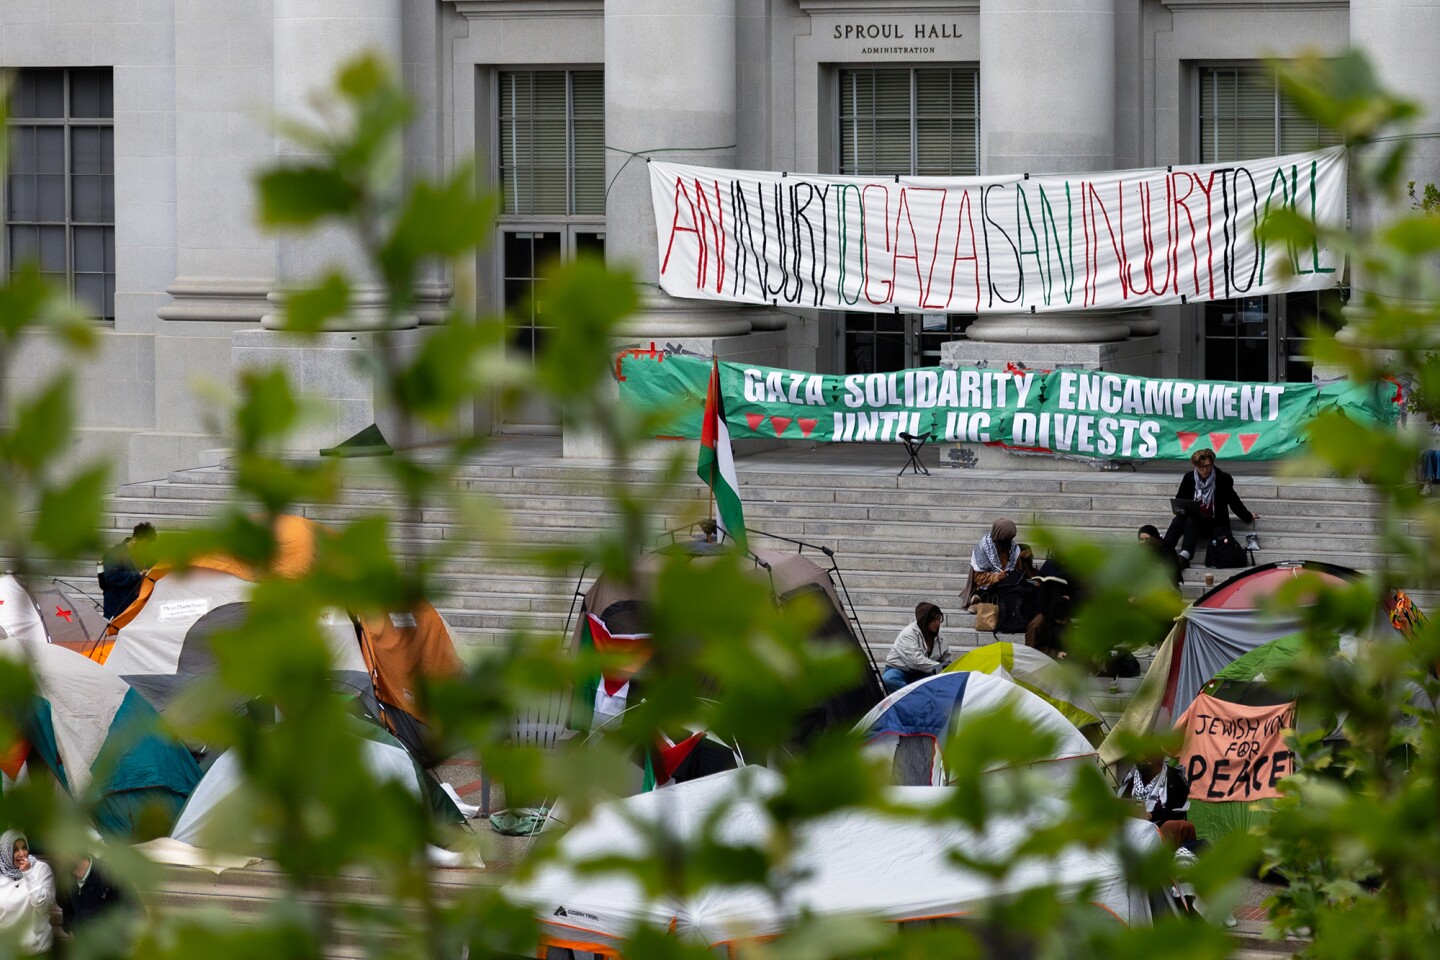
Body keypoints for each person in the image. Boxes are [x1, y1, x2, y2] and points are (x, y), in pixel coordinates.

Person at [1162, 449, 1257, 568]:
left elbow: (1234, 501)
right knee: (1180, 520)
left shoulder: (1222, 479)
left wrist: (1248, 516)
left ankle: (1184, 557)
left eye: (1208, 466)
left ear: (1212, 464)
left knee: (1191, 520)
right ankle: (1163, 552)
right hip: (1194, 522)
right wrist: (1182, 509)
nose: (1205, 470)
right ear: (1195, 466)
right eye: (1201, 467)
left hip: (1214, 523)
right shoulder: (1189, 478)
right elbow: (1180, 501)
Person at [0, 831, 55, 956]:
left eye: (24, 848)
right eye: (15, 850)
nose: (21, 854)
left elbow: (43, 907)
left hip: (37, 950)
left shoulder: (41, 869)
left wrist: (28, 873)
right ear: (5, 852)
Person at [882, 602, 951, 693]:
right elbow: (916, 661)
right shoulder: (908, 634)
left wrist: (947, 668)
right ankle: (913, 695)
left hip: (923, 672)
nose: (937, 623)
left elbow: (946, 658)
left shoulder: (940, 638)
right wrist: (939, 667)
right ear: (925, 621)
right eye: (934, 620)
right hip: (900, 669)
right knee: (889, 679)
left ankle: (916, 695)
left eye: (939, 619)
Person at [58, 854, 128, 935]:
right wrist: (70, 929)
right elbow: (66, 908)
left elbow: (133, 909)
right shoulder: (65, 879)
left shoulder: (110, 873)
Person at [99, 522, 156, 619]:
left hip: (136, 607)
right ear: (135, 540)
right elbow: (111, 576)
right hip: (117, 608)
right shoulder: (115, 553)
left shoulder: (144, 556)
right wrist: (138, 575)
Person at [962, 518, 1019, 609]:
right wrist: (996, 577)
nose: (1008, 542)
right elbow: (978, 578)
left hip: (1008, 583)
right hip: (989, 586)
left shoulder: (1012, 547)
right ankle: (980, 602)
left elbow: (1016, 568)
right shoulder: (982, 550)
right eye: (1005, 540)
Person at [1117, 756, 1190, 825]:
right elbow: (1123, 802)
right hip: (1131, 826)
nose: (1144, 760)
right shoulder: (1131, 777)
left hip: (1160, 828)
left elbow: (1177, 811)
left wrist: (1151, 815)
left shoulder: (1174, 779)